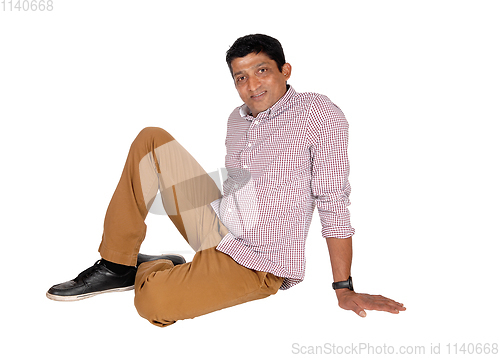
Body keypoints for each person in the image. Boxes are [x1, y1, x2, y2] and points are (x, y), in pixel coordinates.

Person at [47, 34, 406, 326]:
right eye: (240, 77)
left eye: (262, 70)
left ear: (285, 70)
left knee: (152, 303)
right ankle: (117, 264)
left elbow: (332, 200)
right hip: (218, 228)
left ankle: (155, 267)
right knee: (150, 140)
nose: (252, 84)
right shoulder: (237, 119)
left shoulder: (318, 113)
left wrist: (343, 287)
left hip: (258, 262)